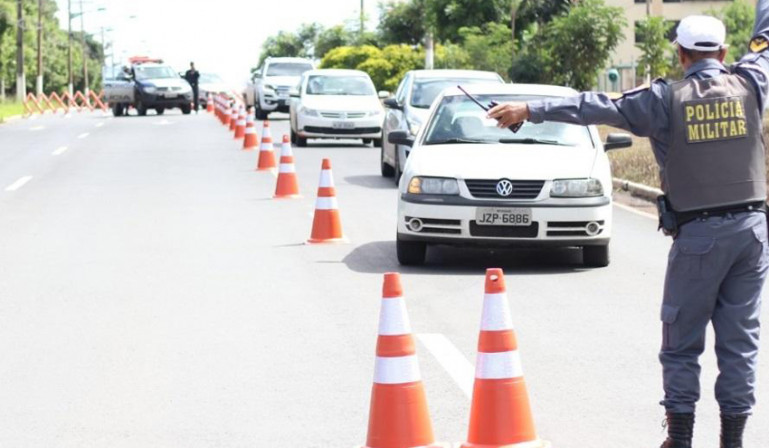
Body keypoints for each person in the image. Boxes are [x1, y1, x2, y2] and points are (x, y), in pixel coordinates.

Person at [488, 3, 769, 448]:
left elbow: (594, 106)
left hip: (698, 236)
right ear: (724, 49)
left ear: (680, 55)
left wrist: (529, 108)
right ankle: (733, 441)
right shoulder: (753, 81)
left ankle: (679, 439)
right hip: (753, 234)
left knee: (681, 342)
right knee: (740, 344)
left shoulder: (663, 100)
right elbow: (767, 38)